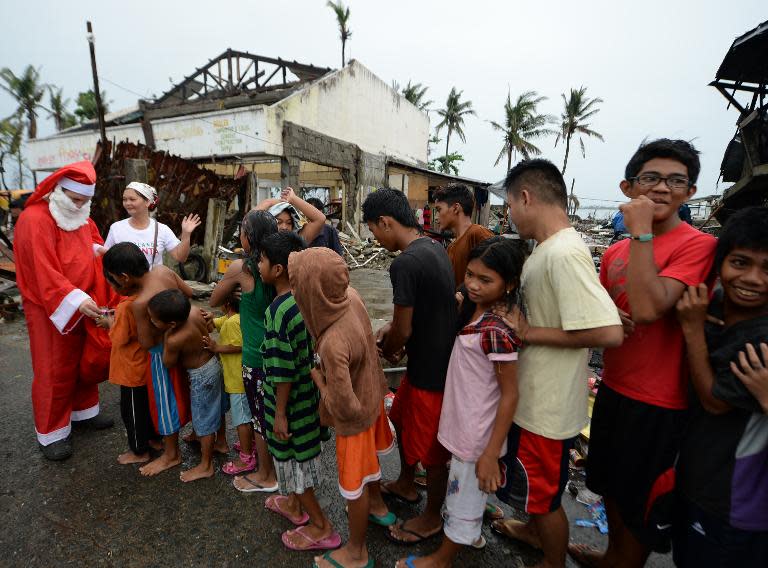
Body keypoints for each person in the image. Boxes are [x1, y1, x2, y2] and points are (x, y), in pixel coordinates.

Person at [570, 139, 717, 567]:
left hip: (661, 404)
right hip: (614, 388)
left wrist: (641, 233)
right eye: (651, 178)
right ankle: (613, 556)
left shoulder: (697, 246)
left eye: (677, 181)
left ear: (689, 193)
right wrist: (609, 311)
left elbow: (650, 307)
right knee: (610, 487)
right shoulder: (616, 251)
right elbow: (601, 306)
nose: (662, 188)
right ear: (629, 185)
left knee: (641, 503)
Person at [491, 159, 623, 568]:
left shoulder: (564, 252)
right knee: (534, 490)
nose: (509, 214)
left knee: (545, 497)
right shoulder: (548, 250)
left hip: (544, 408)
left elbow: (608, 332)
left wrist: (530, 334)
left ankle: (552, 560)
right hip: (535, 398)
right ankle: (532, 533)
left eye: (510, 205)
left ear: (526, 197)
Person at [396, 237, 525, 568]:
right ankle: (471, 535)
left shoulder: (496, 329)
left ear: (509, 284)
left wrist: (490, 455)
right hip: (465, 426)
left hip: (478, 437)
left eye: (486, 280)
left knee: (462, 500)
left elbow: (510, 394)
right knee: (465, 493)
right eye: (470, 275)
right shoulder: (473, 312)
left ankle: (443, 558)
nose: (473, 285)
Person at [362, 188, 458, 546]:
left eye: (374, 230)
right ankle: (405, 482)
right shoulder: (434, 247)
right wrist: (394, 330)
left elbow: (403, 329)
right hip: (434, 358)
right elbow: (417, 312)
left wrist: (389, 346)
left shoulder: (404, 263)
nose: (375, 237)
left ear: (386, 222)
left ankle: (433, 515)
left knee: (432, 450)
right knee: (400, 418)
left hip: (430, 371)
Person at [673, 206, 768, 567]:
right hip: (698, 477)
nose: (754, 278)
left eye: (767, 269)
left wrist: (693, 330)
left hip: (733, 500)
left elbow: (715, 401)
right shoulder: (717, 305)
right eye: (741, 263)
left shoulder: (760, 342)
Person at [290, 247, 396, 568]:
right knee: (370, 468)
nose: (295, 292)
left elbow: (345, 406)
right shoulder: (349, 295)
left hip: (355, 418)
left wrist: (320, 382)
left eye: (297, 285)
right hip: (373, 395)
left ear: (312, 292)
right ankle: (378, 506)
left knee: (355, 484)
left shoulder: (332, 341)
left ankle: (356, 552)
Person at [14, 160, 115, 461]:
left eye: (85, 200)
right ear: (59, 191)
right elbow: (41, 269)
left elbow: (92, 242)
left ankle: (84, 412)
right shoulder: (35, 219)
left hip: (85, 298)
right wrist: (71, 298)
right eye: (76, 199)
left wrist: (104, 254)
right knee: (54, 367)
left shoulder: (80, 213)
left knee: (84, 359)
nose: (81, 205)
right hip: (49, 306)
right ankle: (52, 432)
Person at [258, 231, 341, 552]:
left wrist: (279, 414)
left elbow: (282, 370)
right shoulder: (304, 300)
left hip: (290, 406)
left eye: (262, 260)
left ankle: (322, 525)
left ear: (278, 269)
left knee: (296, 468)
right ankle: (293, 505)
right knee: (299, 461)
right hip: (309, 399)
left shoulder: (278, 313)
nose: (258, 264)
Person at [210, 210, 279, 493]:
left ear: (249, 237)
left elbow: (214, 299)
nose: (239, 236)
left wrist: (232, 291)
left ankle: (266, 475)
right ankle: (272, 466)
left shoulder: (241, 268)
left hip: (254, 355)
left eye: (242, 232)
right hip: (278, 351)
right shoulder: (278, 263)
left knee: (260, 418)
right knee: (275, 414)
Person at [127, 251, 195, 477]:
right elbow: (188, 293)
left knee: (165, 403)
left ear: (123, 277)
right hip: (183, 347)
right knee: (185, 394)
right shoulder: (164, 270)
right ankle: (196, 435)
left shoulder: (140, 303)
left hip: (160, 354)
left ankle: (172, 454)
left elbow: (145, 342)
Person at [148, 289, 223, 483]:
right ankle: (216, 443)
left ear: (171, 324)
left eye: (154, 321)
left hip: (200, 375)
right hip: (212, 364)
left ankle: (206, 465)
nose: (151, 323)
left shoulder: (173, 338)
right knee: (213, 409)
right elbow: (210, 326)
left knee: (204, 419)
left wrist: (163, 337)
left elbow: (167, 362)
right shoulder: (195, 311)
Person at [102, 243, 159, 465]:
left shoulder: (126, 308)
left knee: (132, 413)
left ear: (124, 278)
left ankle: (139, 451)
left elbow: (119, 338)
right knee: (148, 408)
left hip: (131, 371)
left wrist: (108, 323)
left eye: (111, 280)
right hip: (145, 366)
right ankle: (154, 440)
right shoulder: (148, 295)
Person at [203, 295, 255, 475]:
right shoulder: (235, 318)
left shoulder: (232, 323)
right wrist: (210, 317)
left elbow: (239, 345)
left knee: (241, 420)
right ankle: (250, 443)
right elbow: (216, 323)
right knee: (248, 415)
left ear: (226, 305)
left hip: (237, 380)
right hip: (241, 378)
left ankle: (247, 457)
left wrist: (217, 348)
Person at [101, 182, 201, 269]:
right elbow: (106, 258)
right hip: (124, 286)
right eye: (124, 199)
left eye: (132, 199)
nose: (127, 203)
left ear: (147, 202)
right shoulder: (116, 228)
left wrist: (186, 234)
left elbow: (181, 257)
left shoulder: (162, 229)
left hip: (153, 286)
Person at [434, 183, 493, 288]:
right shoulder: (451, 248)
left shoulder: (478, 234)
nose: (436, 217)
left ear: (456, 208)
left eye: (439, 210)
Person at [255, 187, 327, 244]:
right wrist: (269, 202)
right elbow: (249, 221)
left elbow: (320, 219)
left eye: (289, 223)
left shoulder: (297, 242)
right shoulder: (261, 240)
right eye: (278, 222)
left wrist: (293, 199)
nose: (284, 227)